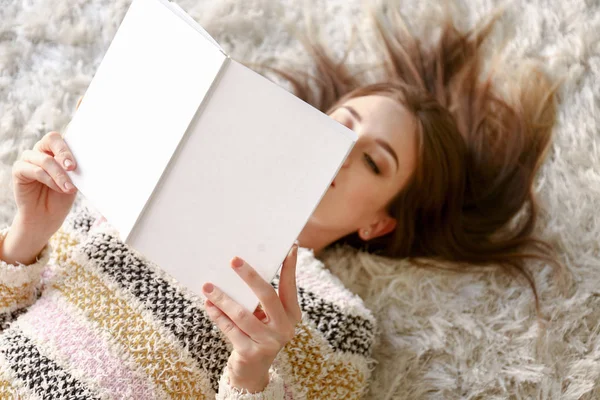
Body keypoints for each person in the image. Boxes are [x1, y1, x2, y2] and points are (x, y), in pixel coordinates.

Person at [0, 3, 559, 399]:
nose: (344, 154)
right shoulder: (152, 181)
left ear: (378, 222)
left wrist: (251, 370)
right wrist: (27, 236)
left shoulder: (338, 326)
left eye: (372, 160)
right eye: (342, 129)